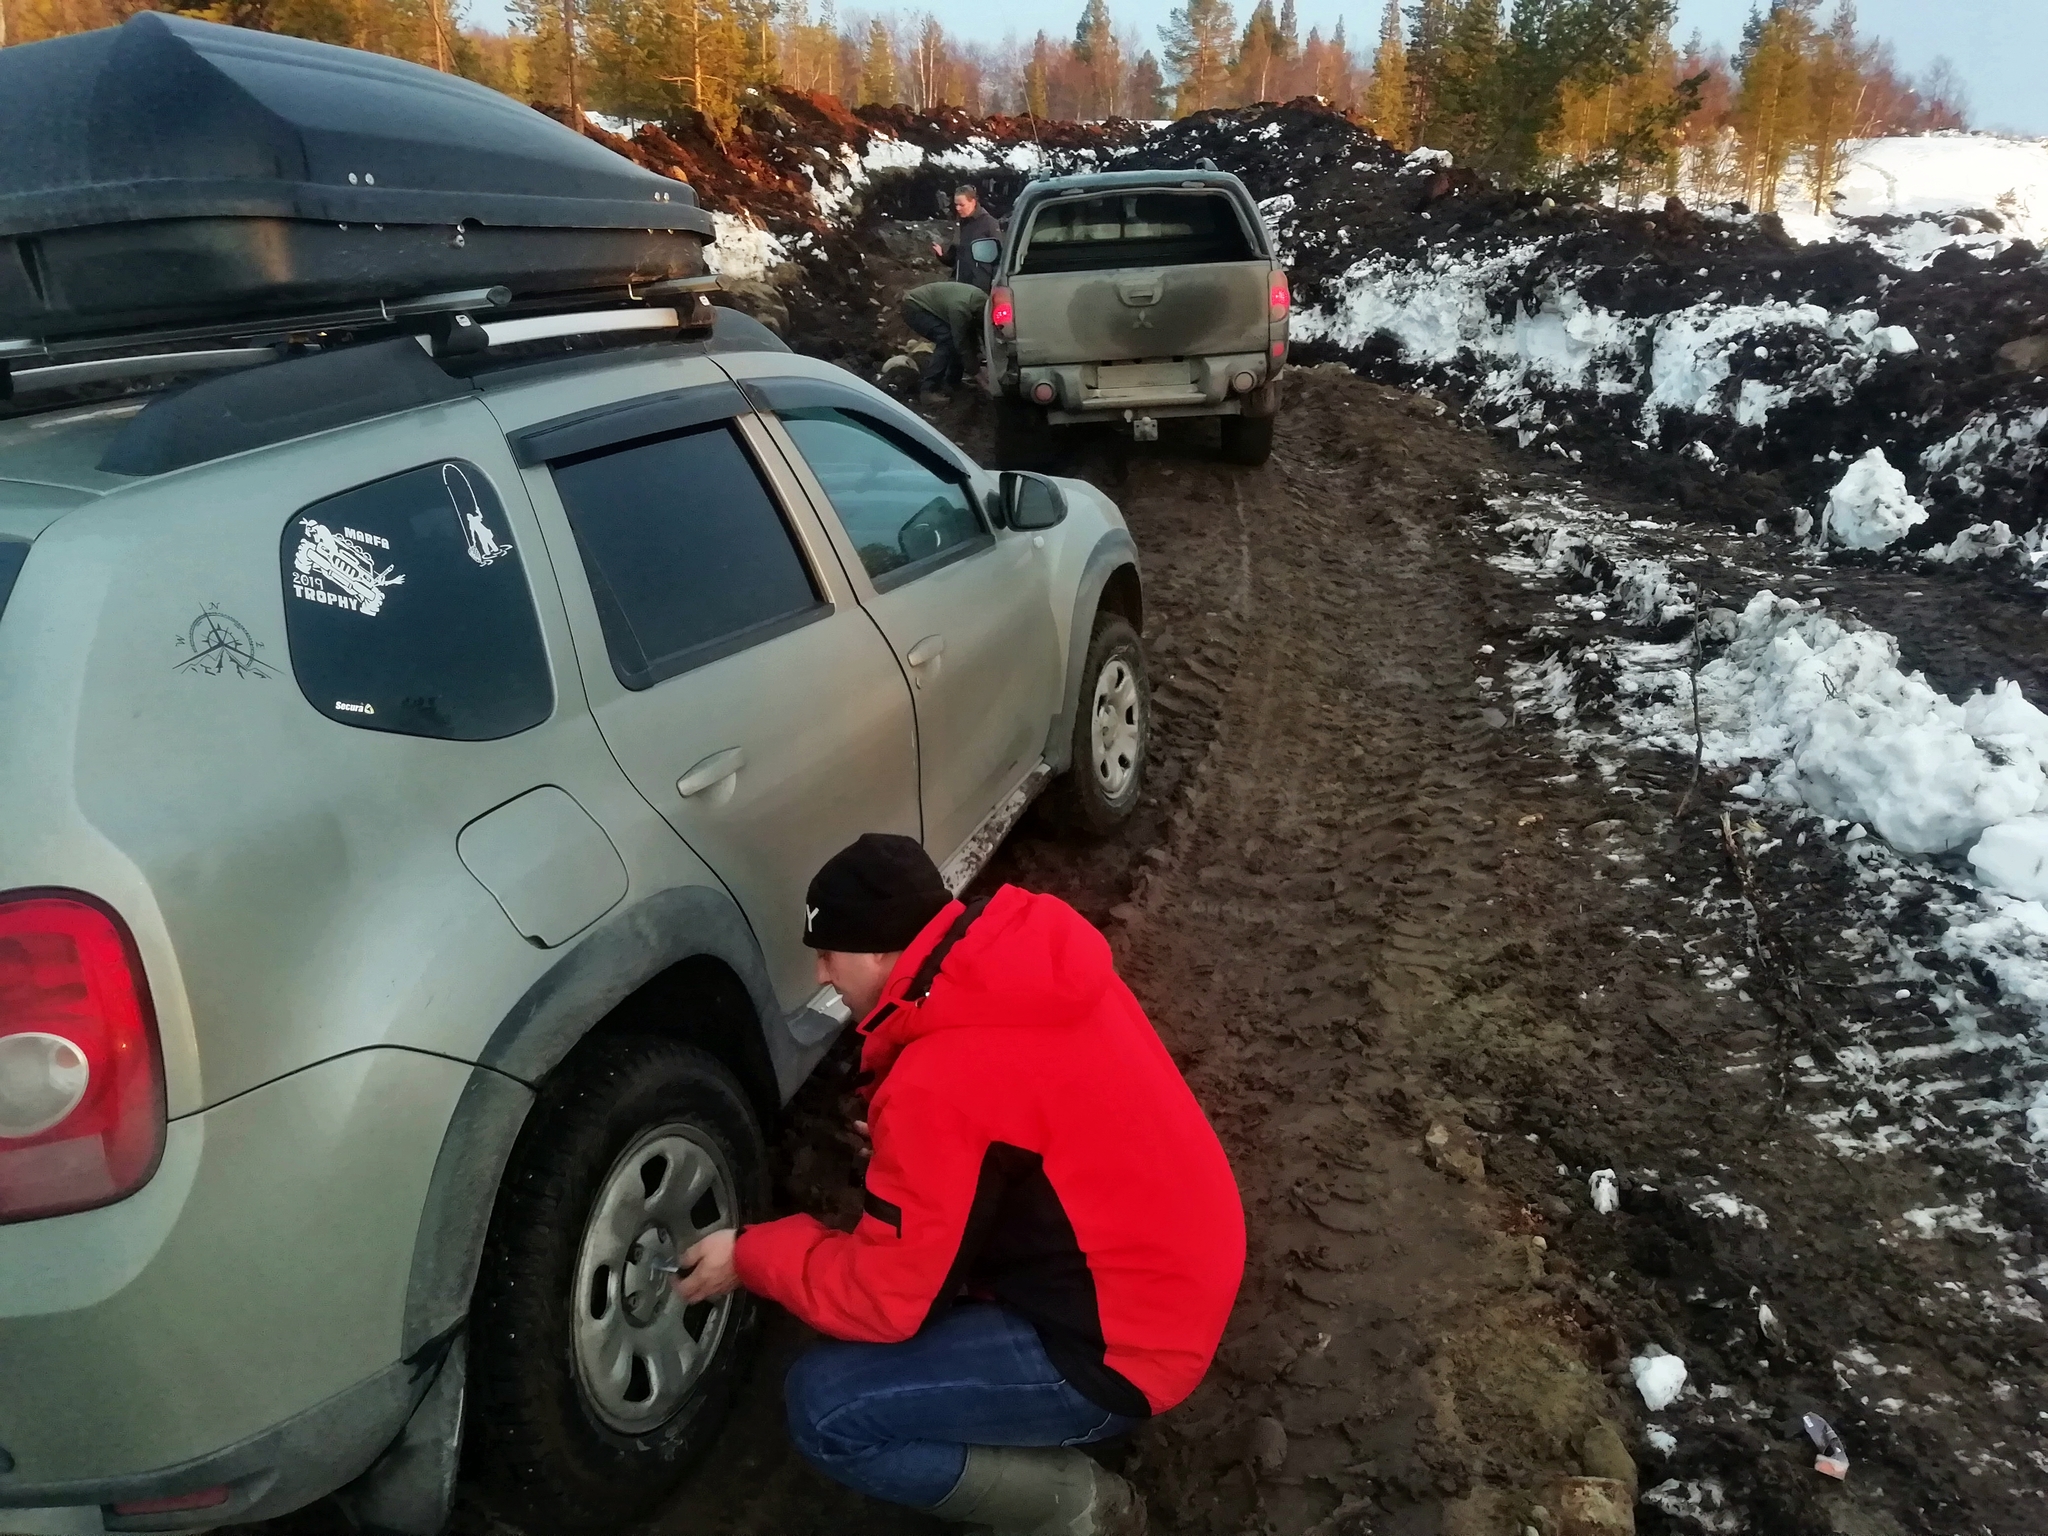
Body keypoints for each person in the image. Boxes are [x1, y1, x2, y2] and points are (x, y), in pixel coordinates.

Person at [677, 834, 1245, 1536]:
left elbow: (884, 1302)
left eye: (828, 952)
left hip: (1124, 1349)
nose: (822, 974)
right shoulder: (1017, 971)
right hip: (1175, 1277)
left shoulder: (941, 1080)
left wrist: (751, 1256)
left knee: (827, 1408)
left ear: (884, 953)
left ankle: (1085, 1507)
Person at [900, 281, 987, 403]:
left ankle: (953, 383)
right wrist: (977, 373)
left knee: (956, 338)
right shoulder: (960, 309)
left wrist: (981, 359)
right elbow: (961, 343)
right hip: (914, 306)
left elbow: (977, 334)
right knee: (948, 339)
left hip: (932, 305)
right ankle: (928, 390)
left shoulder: (983, 302)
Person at [934, 183, 1002, 291]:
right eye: (956, 204)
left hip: (981, 288)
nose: (957, 208)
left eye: (961, 205)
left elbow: (999, 259)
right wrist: (942, 256)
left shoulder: (989, 223)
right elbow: (957, 259)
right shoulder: (962, 223)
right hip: (961, 286)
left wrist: (996, 286)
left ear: (973, 202)